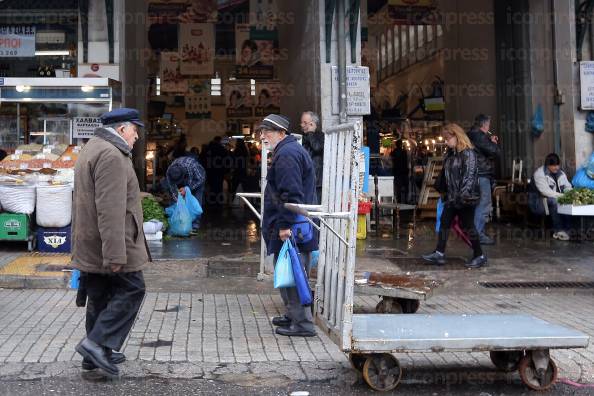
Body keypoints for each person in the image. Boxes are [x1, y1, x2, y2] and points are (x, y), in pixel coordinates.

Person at [71, 108, 148, 377]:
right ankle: (95, 344)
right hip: (111, 244)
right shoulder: (112, 155)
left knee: (100, 295)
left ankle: (93, 358)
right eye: (134, 130)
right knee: (133, 289)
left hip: (91, 243)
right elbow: (110, 209)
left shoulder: (93, 147)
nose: (137, 136)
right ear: (121, 129)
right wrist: (115, 255)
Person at [260, 114, 318, 337]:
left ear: (282, 133)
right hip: (291, 226)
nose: (264, 135)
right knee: (286, 272)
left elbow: (291, 194)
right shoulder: (287, 151)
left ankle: (303, 324)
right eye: (263, 131)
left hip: (291, 228)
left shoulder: (287, 155)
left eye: (269, 131)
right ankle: (293, 315)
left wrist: (284, 226)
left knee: (293, 275)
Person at [422, 123, 487, 269]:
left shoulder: (468, 153)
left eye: (447, 138)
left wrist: (462, 196)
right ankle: (439, 253)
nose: (445, 142)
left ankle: (479, 255)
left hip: (464, 198)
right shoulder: (451, 154)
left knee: (468, 225)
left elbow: (469, 177)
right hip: (452, 197)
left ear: (456, 136)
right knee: (445, 222)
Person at [467, 114, 500, 245]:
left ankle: (475, 233)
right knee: (483, 204)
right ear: (484, 125)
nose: (489, 127)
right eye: (488, 125)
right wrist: (492, 142)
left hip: (474, 174)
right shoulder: (479, 136)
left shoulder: (472, 134)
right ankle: (478, 235)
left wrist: (487, 138)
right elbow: (494, 151)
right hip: (481, 174)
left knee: (476, 204)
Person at [529, 153, 573, 240]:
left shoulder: (561, 173)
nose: (556, 167)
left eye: (557, 165)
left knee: (568, 201)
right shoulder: (540, 174)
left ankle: (568, 229)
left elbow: (567, 186)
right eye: (553, 165)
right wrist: (563, 196)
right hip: (537, 202)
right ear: (547, 165)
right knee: (554, 201)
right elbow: (545, 192)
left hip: (554, 198)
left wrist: (570, 194)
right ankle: (559, 230)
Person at [300, 111, 324, 203]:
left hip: (316, 181)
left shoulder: (321, 136)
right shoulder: (301, 138)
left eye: (305, 123)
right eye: (301, 122)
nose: (302, 125)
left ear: (312, 124)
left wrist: (310, 132)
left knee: (315, 209)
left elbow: (317, 148)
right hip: (303, 180)